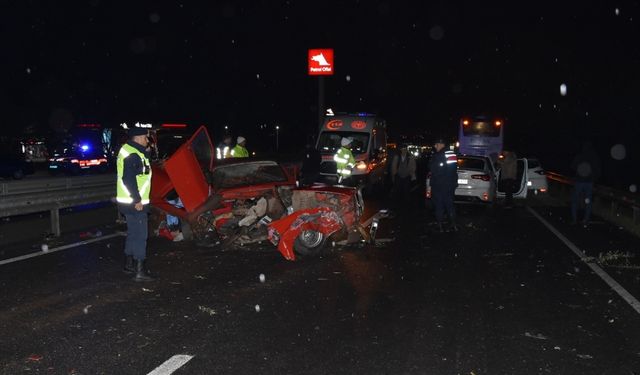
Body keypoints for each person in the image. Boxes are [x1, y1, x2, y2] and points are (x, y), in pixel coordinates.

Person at [116, 126, 154, 282]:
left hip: (127, 201)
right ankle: (140, 271)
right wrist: (137, 200)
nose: (147, 140)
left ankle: (128, 264)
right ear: (138, 138)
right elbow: (129, 179)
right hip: (135, 203)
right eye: (146, 138)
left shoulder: (131, 150)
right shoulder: (132, 154)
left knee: (132, 233)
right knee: (140, 236)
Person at [429, 138, 458, 232]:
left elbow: (434, 170)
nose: (435, 146)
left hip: (439, 186)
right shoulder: (452, 154)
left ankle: (440, 226)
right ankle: (453, 225)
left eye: (436, 144)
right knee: (450, 205)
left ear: (441, 144)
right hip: (450, 185)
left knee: (439, 205)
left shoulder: (438, 155)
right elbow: (453, 170)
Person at [570, 141, 601, 226]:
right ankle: (586, 219)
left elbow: (572, 166)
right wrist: (594, 179)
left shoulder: (580, 155)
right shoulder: (594, 156)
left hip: (579, 181)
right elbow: (598, 169)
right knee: (588, 201)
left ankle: (574, 219)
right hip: (589, 182)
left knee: (575, 200)